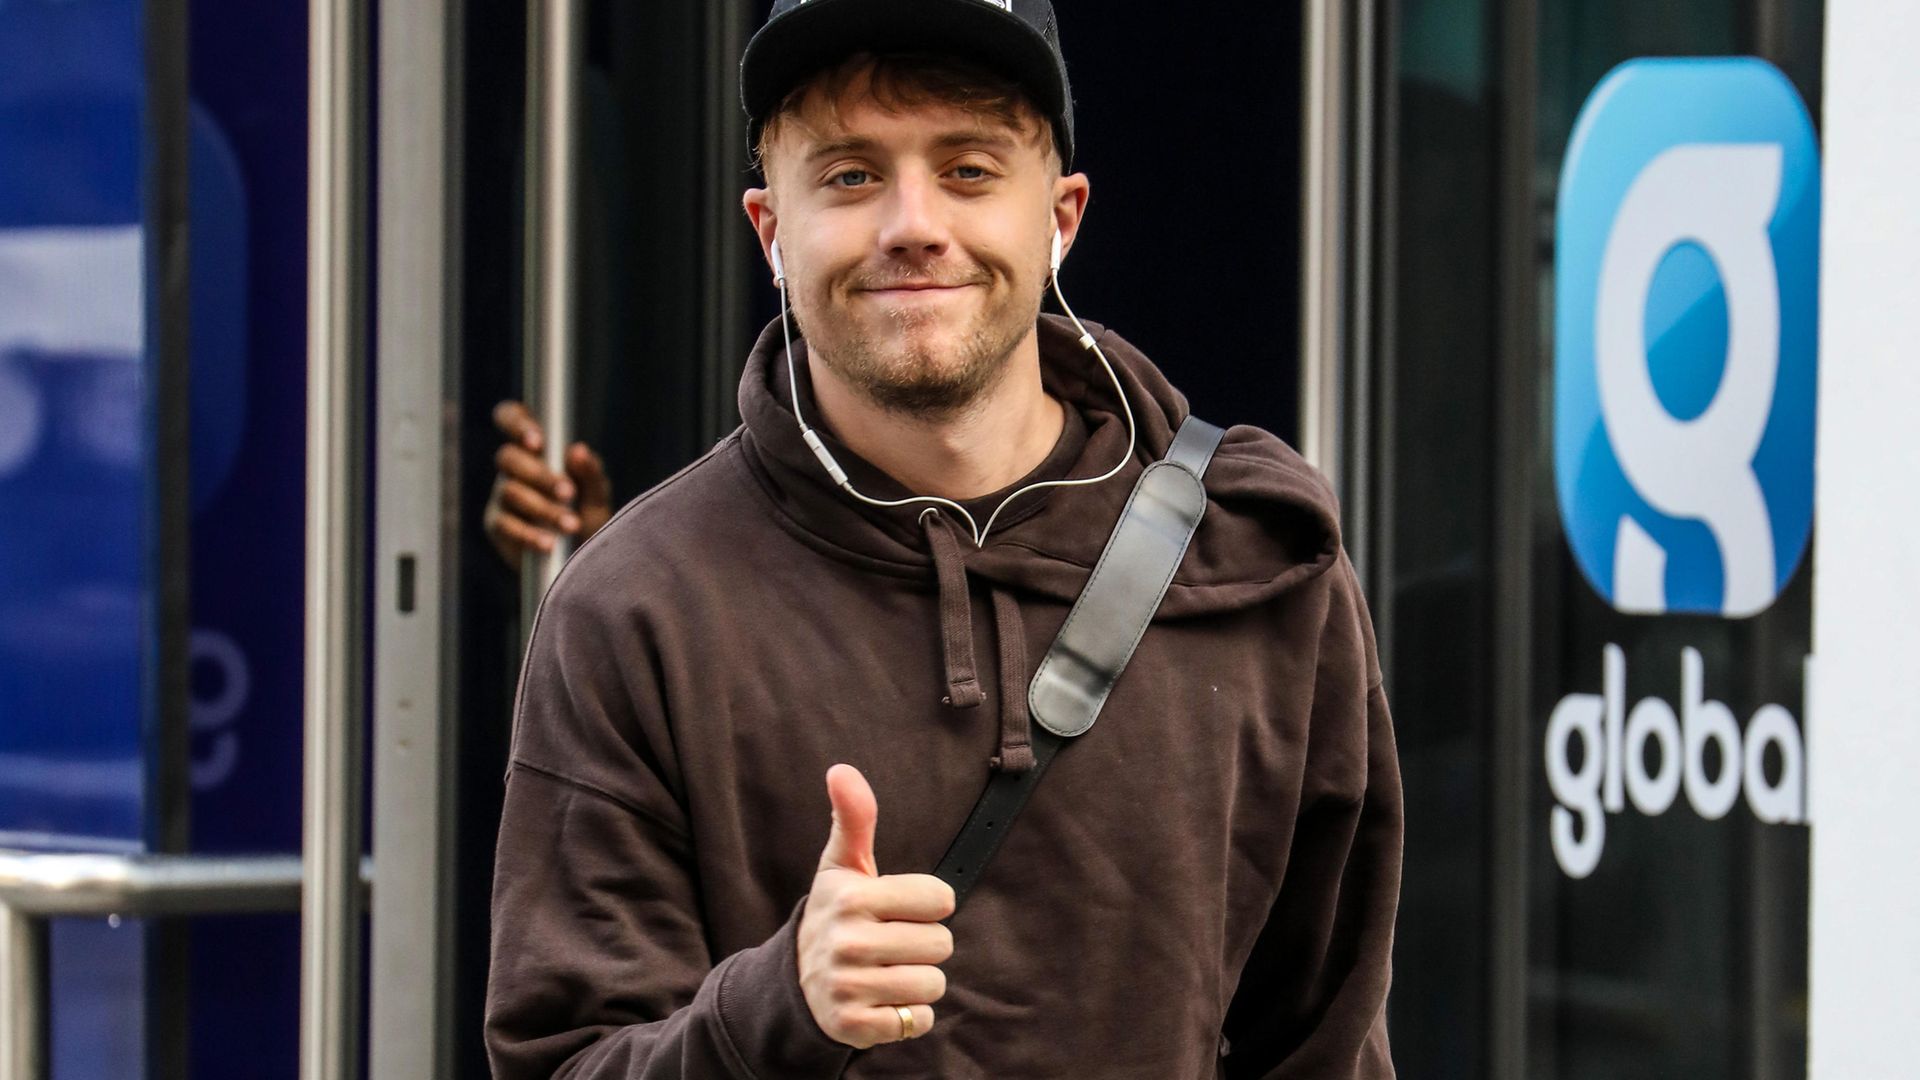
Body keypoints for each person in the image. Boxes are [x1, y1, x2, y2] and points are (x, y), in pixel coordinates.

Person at [485, 1, 1402, 1077]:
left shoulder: (1256, 568)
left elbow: (1325, 1050)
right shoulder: (633, 612)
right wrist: (775, 1009)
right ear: (770, 230)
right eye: (850, 174)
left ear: (1061, 217)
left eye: (968, 170)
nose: (912, 223)